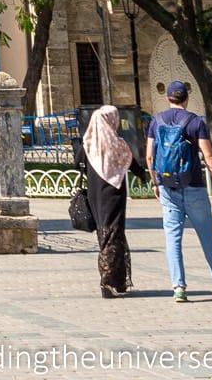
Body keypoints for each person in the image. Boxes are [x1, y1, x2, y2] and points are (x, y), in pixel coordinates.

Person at [146, 80, 212, 301]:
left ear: (168, 98)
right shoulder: (195, 122)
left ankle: (179, 287)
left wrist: (155, 182)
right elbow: (209, 156)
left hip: (167, 186)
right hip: (193, 185)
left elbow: (149, 156)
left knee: (173, 238)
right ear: (186, 98)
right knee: (206, 235)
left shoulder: (156, 121)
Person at [72, 105, 133, 297]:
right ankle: (107, 281)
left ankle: (119, 280)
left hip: (94, 196)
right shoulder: (117, 144)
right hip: (113, 195)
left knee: (105, 234)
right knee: (113, 235)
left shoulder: (87, 145)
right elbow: (133, 163)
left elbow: (76, 163)